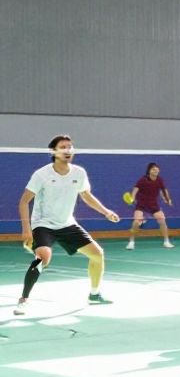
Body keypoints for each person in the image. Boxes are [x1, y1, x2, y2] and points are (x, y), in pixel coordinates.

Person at [15, 135, 120, 315]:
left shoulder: (79, 173)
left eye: (70, 147)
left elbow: (86, 195)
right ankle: (23, 299)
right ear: (54, 152)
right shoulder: (42, 174)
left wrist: (106, 212)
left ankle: (94, 295)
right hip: (43, 224)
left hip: (67, 224)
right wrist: (27, 231)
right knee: (43, 258)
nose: (67, 150)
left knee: (97, 255)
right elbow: (24, 202)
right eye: (63, 147)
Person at [127, 162, 174, 250]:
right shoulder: (143, 179)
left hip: (153, 205)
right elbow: (135, 189)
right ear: (149, 171)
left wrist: (167, 199)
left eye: (157, 169)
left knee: (162, 220)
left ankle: (166, 241)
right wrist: (132, 198)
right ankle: (131, 242)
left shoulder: (159, 180)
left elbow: (164, 190)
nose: (156, 170)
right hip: (141, 204)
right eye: (153, 169)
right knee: (136, 222)